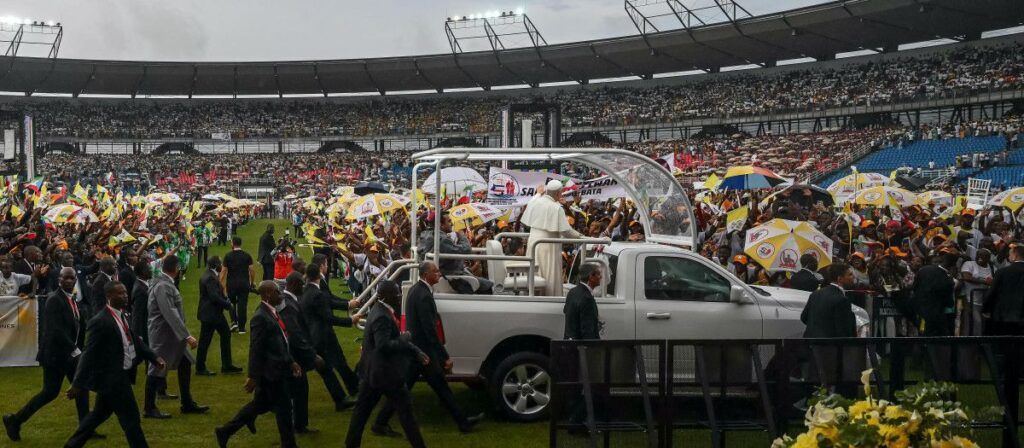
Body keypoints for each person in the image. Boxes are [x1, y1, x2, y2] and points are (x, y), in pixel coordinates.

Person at [374, 261, 483, 434]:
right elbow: (429, 330)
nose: (439, 273)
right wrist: (444, 356)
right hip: (423, 353)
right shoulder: (423, 295)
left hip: (417, 351)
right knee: (437, 388)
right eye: (435, 271)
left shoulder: (416, 290)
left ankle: (380, 422)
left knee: (416, 388)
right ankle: (462, 422)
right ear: (426, 275)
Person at [64, 281, 165, 448]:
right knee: (131, 419)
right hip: (113, 380)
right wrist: (77, 384)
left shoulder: (122, 315)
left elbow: (134, 340)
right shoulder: (100, 321)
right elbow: (88, 354)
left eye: (125, 292)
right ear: (109, 296)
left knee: (97, 416)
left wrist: (154, 357)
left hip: (117, 378)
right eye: (120, 293)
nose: (125, 296)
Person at [4, 268, 89, 442]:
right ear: (59, 280)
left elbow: (78, 327)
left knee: (81, 387)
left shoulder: (71, 299)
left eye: (72, 278)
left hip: (70, 354)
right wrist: (76, 350)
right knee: (49, 392)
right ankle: (15, 420)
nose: (69, 281)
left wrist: (81, 348)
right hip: (55, 356)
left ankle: (86, 428)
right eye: (65, 278)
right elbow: (56, 331)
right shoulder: (54, 299)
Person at [215, 281, 302, 448]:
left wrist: (291, 361)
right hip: (271, 373)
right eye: (277, 292)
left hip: (276, 369)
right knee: (284, 410)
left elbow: (281, 342)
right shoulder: (260, 317)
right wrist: (253, 376)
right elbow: (256, 348)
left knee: (260, 405)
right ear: (268, 294)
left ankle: (225, 431)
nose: (281, 294)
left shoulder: (272, 312)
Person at [345, 280, 428, 448]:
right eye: (397, 293)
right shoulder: (382, 316)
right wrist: (405, 339)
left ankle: (351, 444)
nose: (400, 296)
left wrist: (417, 352)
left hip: (372, 373)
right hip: (386, 375)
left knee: (361, 414)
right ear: (387, 296)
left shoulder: (379, 310)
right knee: (407, 415)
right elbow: (384, 345)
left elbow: (392, 339)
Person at [143, 255, 209, 419]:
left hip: (171, 334)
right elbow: (170, 313)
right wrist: (186, 336)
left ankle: (187, 403)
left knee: (185, 363)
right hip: (164, 335)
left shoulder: (163, 283)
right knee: (156, 367)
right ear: (177, 268)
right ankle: (149, 408)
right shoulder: (163, 286)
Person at [299, 264, 359, 410]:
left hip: (313, 336)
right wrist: (350, 320)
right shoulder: (317, 294)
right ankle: (344, 396)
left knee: (327, 370)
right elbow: (329, 318)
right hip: (322, 337)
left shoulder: (306, 291)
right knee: (330, 367)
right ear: (319, 275)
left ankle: (342, 397)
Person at [519, 180, 583, 296]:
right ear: (558, 193)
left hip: (533, 244)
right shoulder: (556, 208)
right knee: (548, 275)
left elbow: (533, 200)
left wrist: (538, 193)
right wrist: (582, 237)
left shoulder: (535, 201)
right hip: (548, 247)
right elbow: (566, 231)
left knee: (535, 272)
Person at [280, 271, 324, 434]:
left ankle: (298, 423)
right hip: (294, 355)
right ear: (293, 284)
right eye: (301, 283)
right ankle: (299, 425)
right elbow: (295, 333)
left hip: (294, 354)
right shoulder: (288, 304)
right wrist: (312, 355)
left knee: (298, 390)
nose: (304, 287)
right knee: (299, 390)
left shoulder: (291, 300)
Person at [196, 256, 241, 376]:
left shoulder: (208, 274)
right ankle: (201, 368)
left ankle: (226, 365)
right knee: (205, 341)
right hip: (211, 314)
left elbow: (216, 293)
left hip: (212, 313)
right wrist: (228, 305)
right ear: (216, 265)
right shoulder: (210, 278)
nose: (222, 265)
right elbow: (214, 297)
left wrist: (225, 299)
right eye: (220, 263)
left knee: (224, 335)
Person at [800, 263, 857, 338]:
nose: (853, 277)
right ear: (839, 279)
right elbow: (844, 332)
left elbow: (804, 318)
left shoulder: (815, 293)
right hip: (829, 344)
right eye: (850, 274)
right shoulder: (842, 300)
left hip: (809, 342)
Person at [912, 251, 958, 336]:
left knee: (923, 333)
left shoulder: (924, 270)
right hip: (937, 313)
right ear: (952, 267)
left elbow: (914, 287)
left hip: (920, 310)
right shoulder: (947, 278)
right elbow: (949, 301)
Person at [983, 244, 1024, 335]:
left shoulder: (1002, 272)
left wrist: (986, 309)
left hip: (1003, 316)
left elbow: (992, 292)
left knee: (1003, 342)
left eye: (1010, 255)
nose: (1008, 257)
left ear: (1015, 256)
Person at [222, 236, 255, 333]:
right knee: (242, 305)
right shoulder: (247, 255)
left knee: (231, 303)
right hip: (244, 283)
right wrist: (252, 282)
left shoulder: (228, 256)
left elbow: (223, 271)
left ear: (232, 243)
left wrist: (220, 283)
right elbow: (252, 270)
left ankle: (234, 322)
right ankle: (242, 328)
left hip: (231, 283)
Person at [564, 263, 602, 340]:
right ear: (591, 276)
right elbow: (587, 330)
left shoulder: (572, 291)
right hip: (581, 345)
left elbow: (566, 311)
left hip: (568, 342)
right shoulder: (587, 298)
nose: (601, 277)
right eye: (598, 274)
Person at [960, 248, 994, 335]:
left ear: (988, 258)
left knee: (983, 324)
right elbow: (966, 277)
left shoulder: (992, 267)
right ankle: (970, 341)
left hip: (985, 301)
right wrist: (984, 282)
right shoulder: (969, 264)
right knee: (975, 322)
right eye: (978, 255)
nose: (980, 257)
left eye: (983, 256)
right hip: (971, 300)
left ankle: (980, 341)